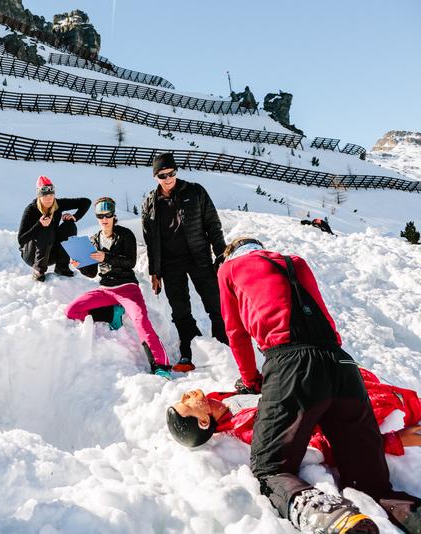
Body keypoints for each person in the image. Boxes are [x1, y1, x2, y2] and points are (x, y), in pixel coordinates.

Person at [205, 236, 420, 533]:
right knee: (370, 482)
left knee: (270, 468)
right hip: (342, 365)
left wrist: (253, 380)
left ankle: (329, 516)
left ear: (231, 254)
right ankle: (409, 512)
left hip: (291, 363)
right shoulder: (295, 262)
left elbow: (236, 332)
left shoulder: (229, 269)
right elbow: (325, 319)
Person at [167, 367, 421, 463]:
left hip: (325, 380)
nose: (187, 396)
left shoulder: (222, 400)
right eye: (187, 404)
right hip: (340, 407)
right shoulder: (248, 429)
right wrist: (395, 441)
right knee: (405, 404)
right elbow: (315, 446)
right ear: (203, 421)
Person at [64, 197, 171, 378]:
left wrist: (105, 257)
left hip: (127, 287)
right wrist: (79, 265)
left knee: (140, 320)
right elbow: (91, 272)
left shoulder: (125, 234)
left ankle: (160, 365)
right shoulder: (95, 239)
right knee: (72, 310)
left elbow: (130, 262)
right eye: (100, 216)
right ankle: (112, 314)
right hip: (105, 289)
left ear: (114, 216)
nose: (104, 219)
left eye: (108, 215)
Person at [141, 153, 228, 373]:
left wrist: (221, 255)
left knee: (215, 304)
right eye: (162, 175)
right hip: (170, 265)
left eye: (171, 173)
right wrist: (155, 272)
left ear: (176, 171)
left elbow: (213, 225)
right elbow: (150, 240)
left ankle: (224, 344)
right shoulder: (150, 202)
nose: (168, 178)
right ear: (155, 177)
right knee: (180, 311)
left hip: (199, 257)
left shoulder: (195, 191)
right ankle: (190, 349)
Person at [18, 176, 91, 281]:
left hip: (51, 253)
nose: (49, 198)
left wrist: (75, 217)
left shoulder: (57, 204)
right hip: (32, 255)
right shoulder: (31, 210)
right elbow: (21, 240)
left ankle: (62, 267)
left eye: (52, 195)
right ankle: (38, 270)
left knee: (69, 225)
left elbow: (86, 202)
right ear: (39, 196)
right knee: (46, 227)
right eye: (45, 196)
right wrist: (39, 225)